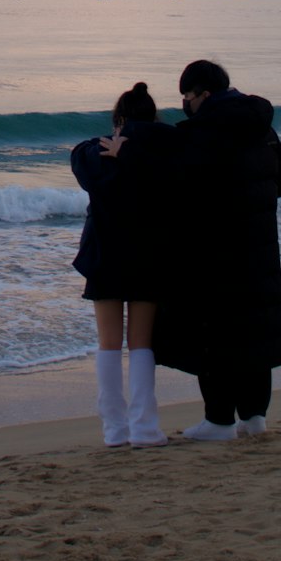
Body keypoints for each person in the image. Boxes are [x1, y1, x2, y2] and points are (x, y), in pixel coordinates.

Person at [153, 58, 281, 441]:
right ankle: (254, 417)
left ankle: (218, 420)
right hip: (260, 249)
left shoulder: (206, 133)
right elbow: (279, 184)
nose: (185, 103)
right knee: (254, 333)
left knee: (213, 337)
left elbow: (182, 188)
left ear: (205, 94)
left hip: (214, 251)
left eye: (188, 96)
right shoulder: (265, 129)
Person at [71, 81, 170, 447]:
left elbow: (77, 159)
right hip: (148, 254)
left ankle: (114, 430)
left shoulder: (97, 154)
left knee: (109, 343)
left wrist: (108, 145)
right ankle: (145, 428)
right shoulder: (166, 152)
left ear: (119, 120)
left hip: (105, 254)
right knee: (141, 343)